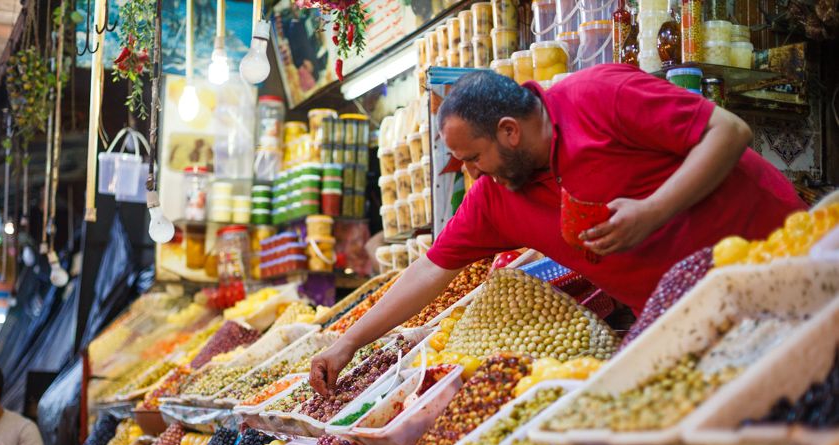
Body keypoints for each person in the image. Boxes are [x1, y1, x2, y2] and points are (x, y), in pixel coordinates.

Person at [310, 65, 806, 394]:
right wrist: (348, 342)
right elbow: (431, 269)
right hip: (700, 314)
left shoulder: (599, 96)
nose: (474, 173)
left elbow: (729, 131)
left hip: (784, 259)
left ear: (509, 130)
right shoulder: (496, 196)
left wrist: (652, 211)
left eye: (474, 157)